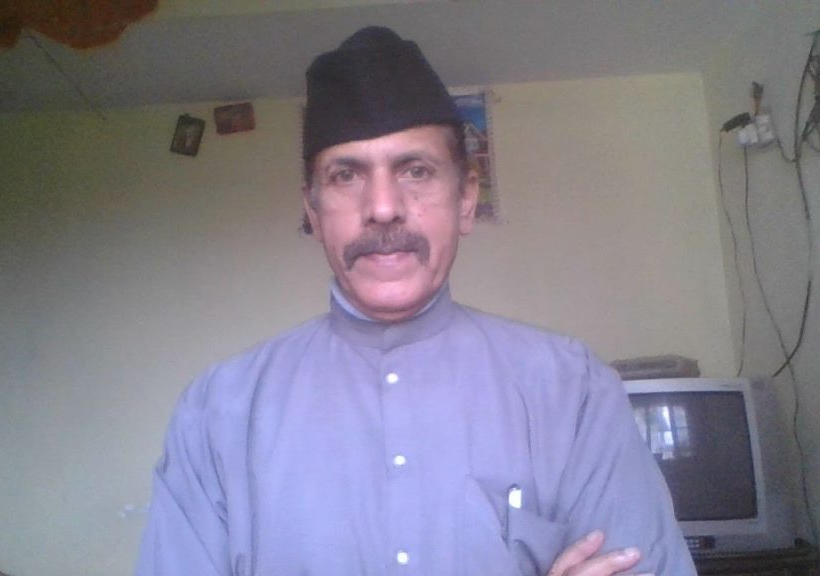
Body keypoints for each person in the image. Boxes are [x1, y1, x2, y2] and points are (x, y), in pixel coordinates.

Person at [136, 26, 695, 576]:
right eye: (346, 175)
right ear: (313, 211)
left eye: (416, 171)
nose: (383, 207)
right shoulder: (217, 414)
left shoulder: (574, 392)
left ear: (467, 199)